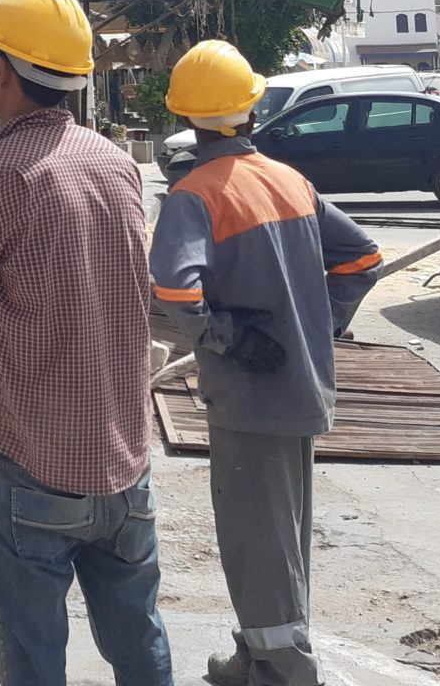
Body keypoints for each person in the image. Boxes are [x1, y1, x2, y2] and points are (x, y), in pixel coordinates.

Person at [0, 0, 174, 686]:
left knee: (34, 655)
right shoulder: (117, 165)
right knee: (140, 644)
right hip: (124, 464)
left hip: (31, 464)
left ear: (4, 70)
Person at [148, 40, 383, 686]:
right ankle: (257, 658)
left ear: (191, 122)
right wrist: (321, 323)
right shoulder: (290, 181)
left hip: (249, 403)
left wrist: (225, 337)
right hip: (301, 391)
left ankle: (285, 673)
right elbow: (364, 258)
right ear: (252, 113)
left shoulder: (195, 196)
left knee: (259, 545)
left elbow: (174, 292)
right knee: (281, 542)